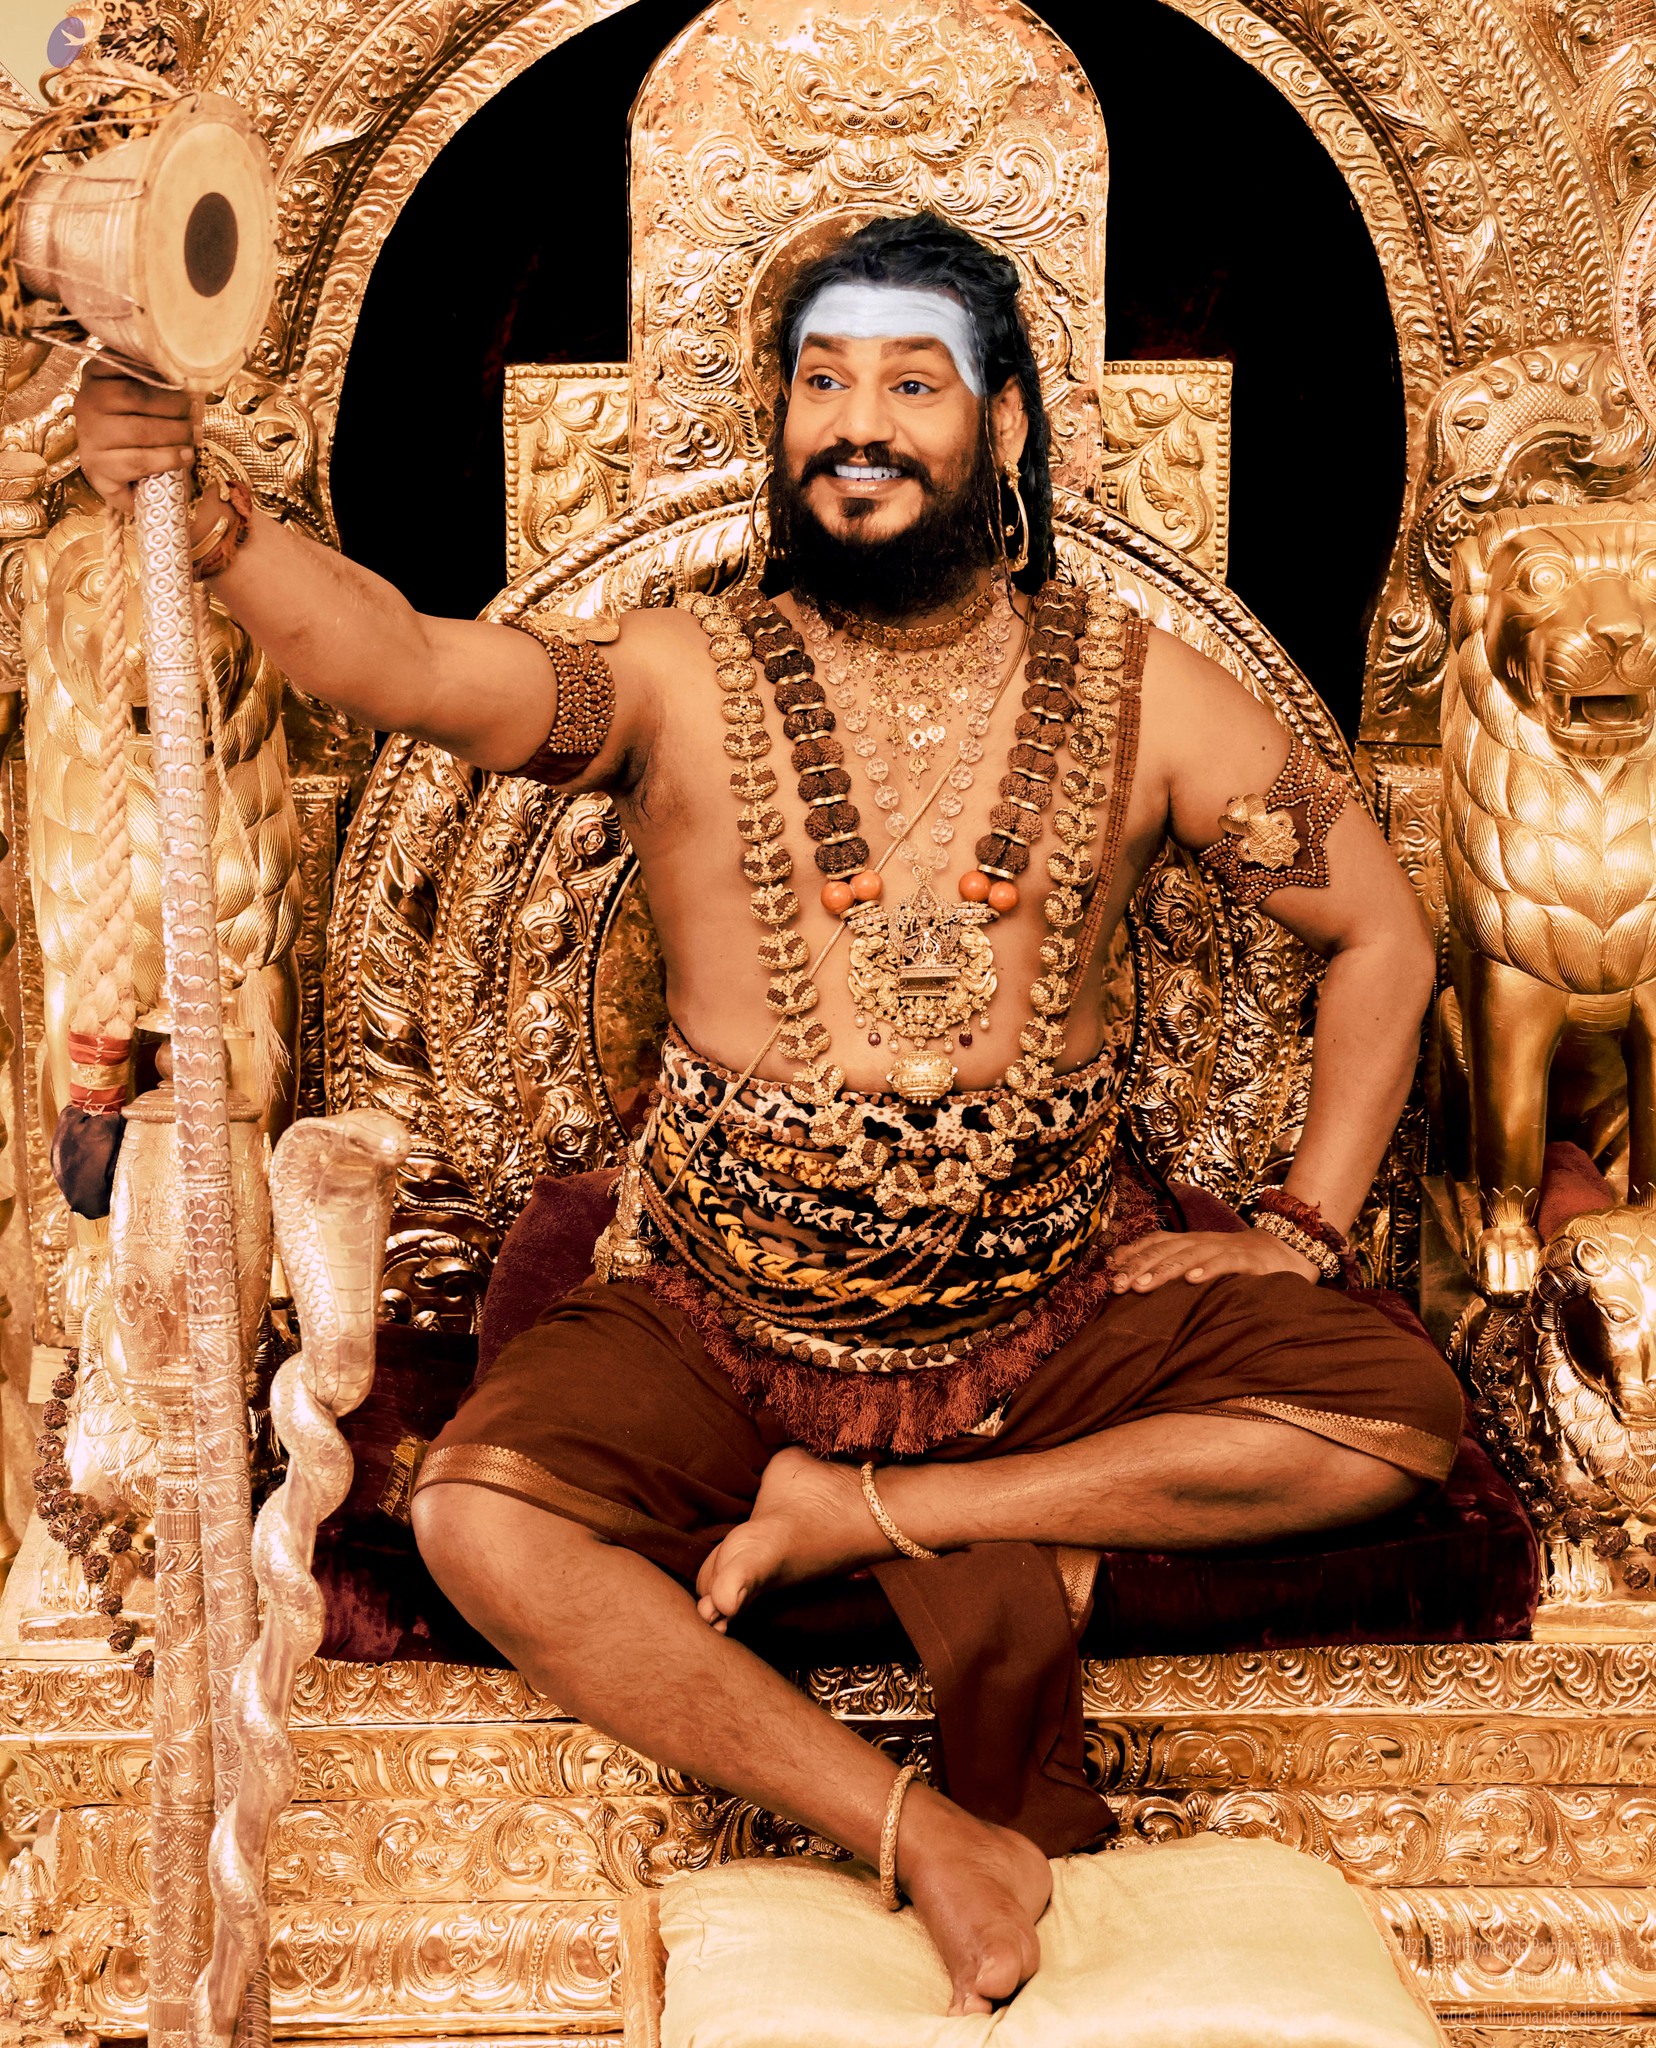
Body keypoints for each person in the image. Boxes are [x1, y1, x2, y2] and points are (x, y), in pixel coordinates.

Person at [75, 211, 1458, 2015]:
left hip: (1043, 1315)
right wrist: (218, 525)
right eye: (823, 382)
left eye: (913, 382)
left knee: (1394, 1419)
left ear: (1006, 425)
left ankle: (878, 1509)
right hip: (720, 1307)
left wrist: (1300, 1227)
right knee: (478, 1522)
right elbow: (403, 663)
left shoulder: (1144, 693)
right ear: (777, 417)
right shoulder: (676, 676)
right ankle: (917, 1834)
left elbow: (1385, 939)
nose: (859, 423)